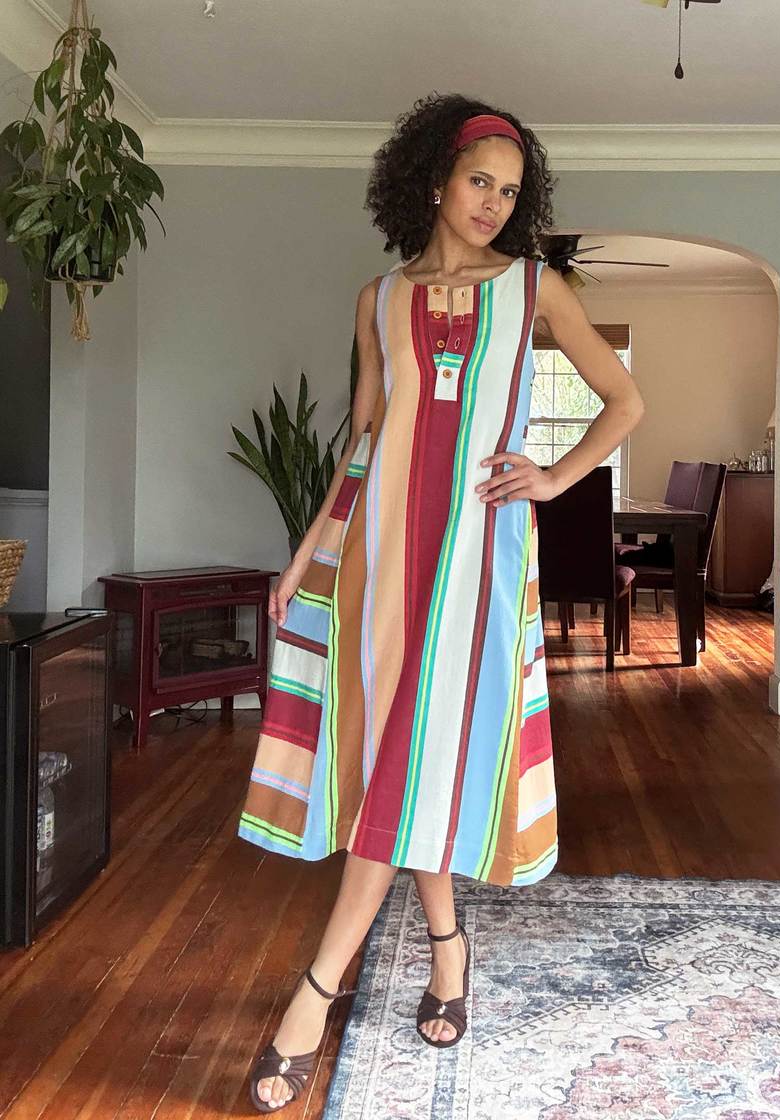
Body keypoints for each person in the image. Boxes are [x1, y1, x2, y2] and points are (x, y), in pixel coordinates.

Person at [240, 92, 645, 1112]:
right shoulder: (378, 298)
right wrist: (305, 554)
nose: (494, 203)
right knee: (399, 755)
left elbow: (625, 400)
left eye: (510, 191)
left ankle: (314, 992)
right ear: (432, 180)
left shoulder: (535, 287)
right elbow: (363, 439)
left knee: (417, 753)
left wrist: (551, 478)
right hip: (378, 556)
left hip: (478, 560)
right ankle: (448, 947)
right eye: (479, 181)